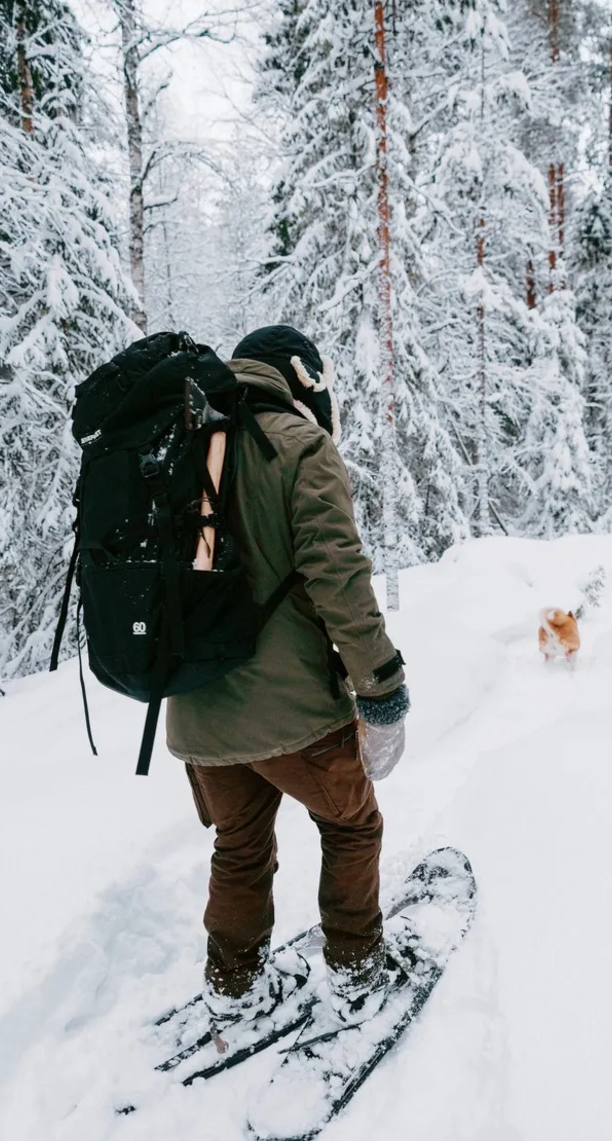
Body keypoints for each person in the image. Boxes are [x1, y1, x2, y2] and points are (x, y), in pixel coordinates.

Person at [166, 325, 409, 1026]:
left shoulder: (187, 445)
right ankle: (358, 971)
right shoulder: (302, 448)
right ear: (301, 379)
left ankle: (233, 985)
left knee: (239, 843)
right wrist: (382, 689)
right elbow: (339, 581)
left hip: (196, 710)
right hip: (291, 711)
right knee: (353, 826)